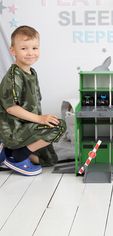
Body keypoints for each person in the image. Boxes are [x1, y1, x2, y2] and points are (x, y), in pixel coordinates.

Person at [0, 25, 66, 176]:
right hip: (14, 130)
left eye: (34, 48)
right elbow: (11, 108)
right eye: (24, 48)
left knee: (49, 160)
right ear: (13, 51)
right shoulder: (13, 76)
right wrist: (40, 119)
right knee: (59, 127)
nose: (30, 53)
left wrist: (41, 120)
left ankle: (8, 153)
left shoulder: (31, 72)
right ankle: (18, 155)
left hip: (27, 125)